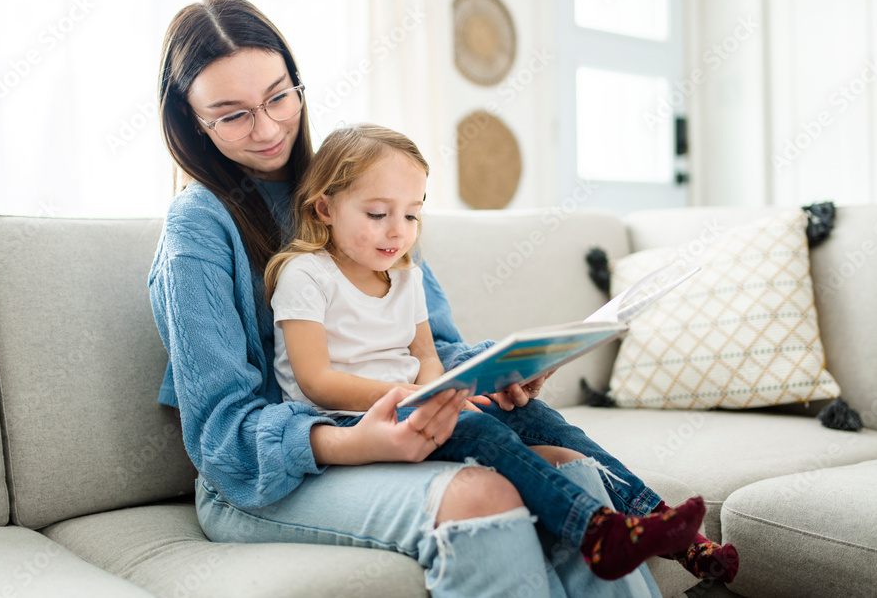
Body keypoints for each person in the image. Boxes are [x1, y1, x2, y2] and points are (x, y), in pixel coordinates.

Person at [149, 0, 689, 597]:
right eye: (232, 114)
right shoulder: (196, 229)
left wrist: (491, 376)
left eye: (279, 97)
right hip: (263, 478)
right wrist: (357, 441)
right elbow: (221, 435)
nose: (269, 126)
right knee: (484, 495)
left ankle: (669, 533)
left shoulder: (359, 189)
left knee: (575, 473)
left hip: (395, 420)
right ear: (191, 119)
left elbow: (430, 347)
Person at [264, 122, 738, 582]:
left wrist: (439, 389)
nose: (398, 232)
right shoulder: (306, 274)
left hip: (412, 402)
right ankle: (595, 531)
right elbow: (315, 381)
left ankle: (672, 532)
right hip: (348, 419)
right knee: (475, 427)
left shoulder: (405, 273)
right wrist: (414, 397)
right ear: (324, 208)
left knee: (543, 421)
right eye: (377, 214)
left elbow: (427, 356)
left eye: (411, 215)